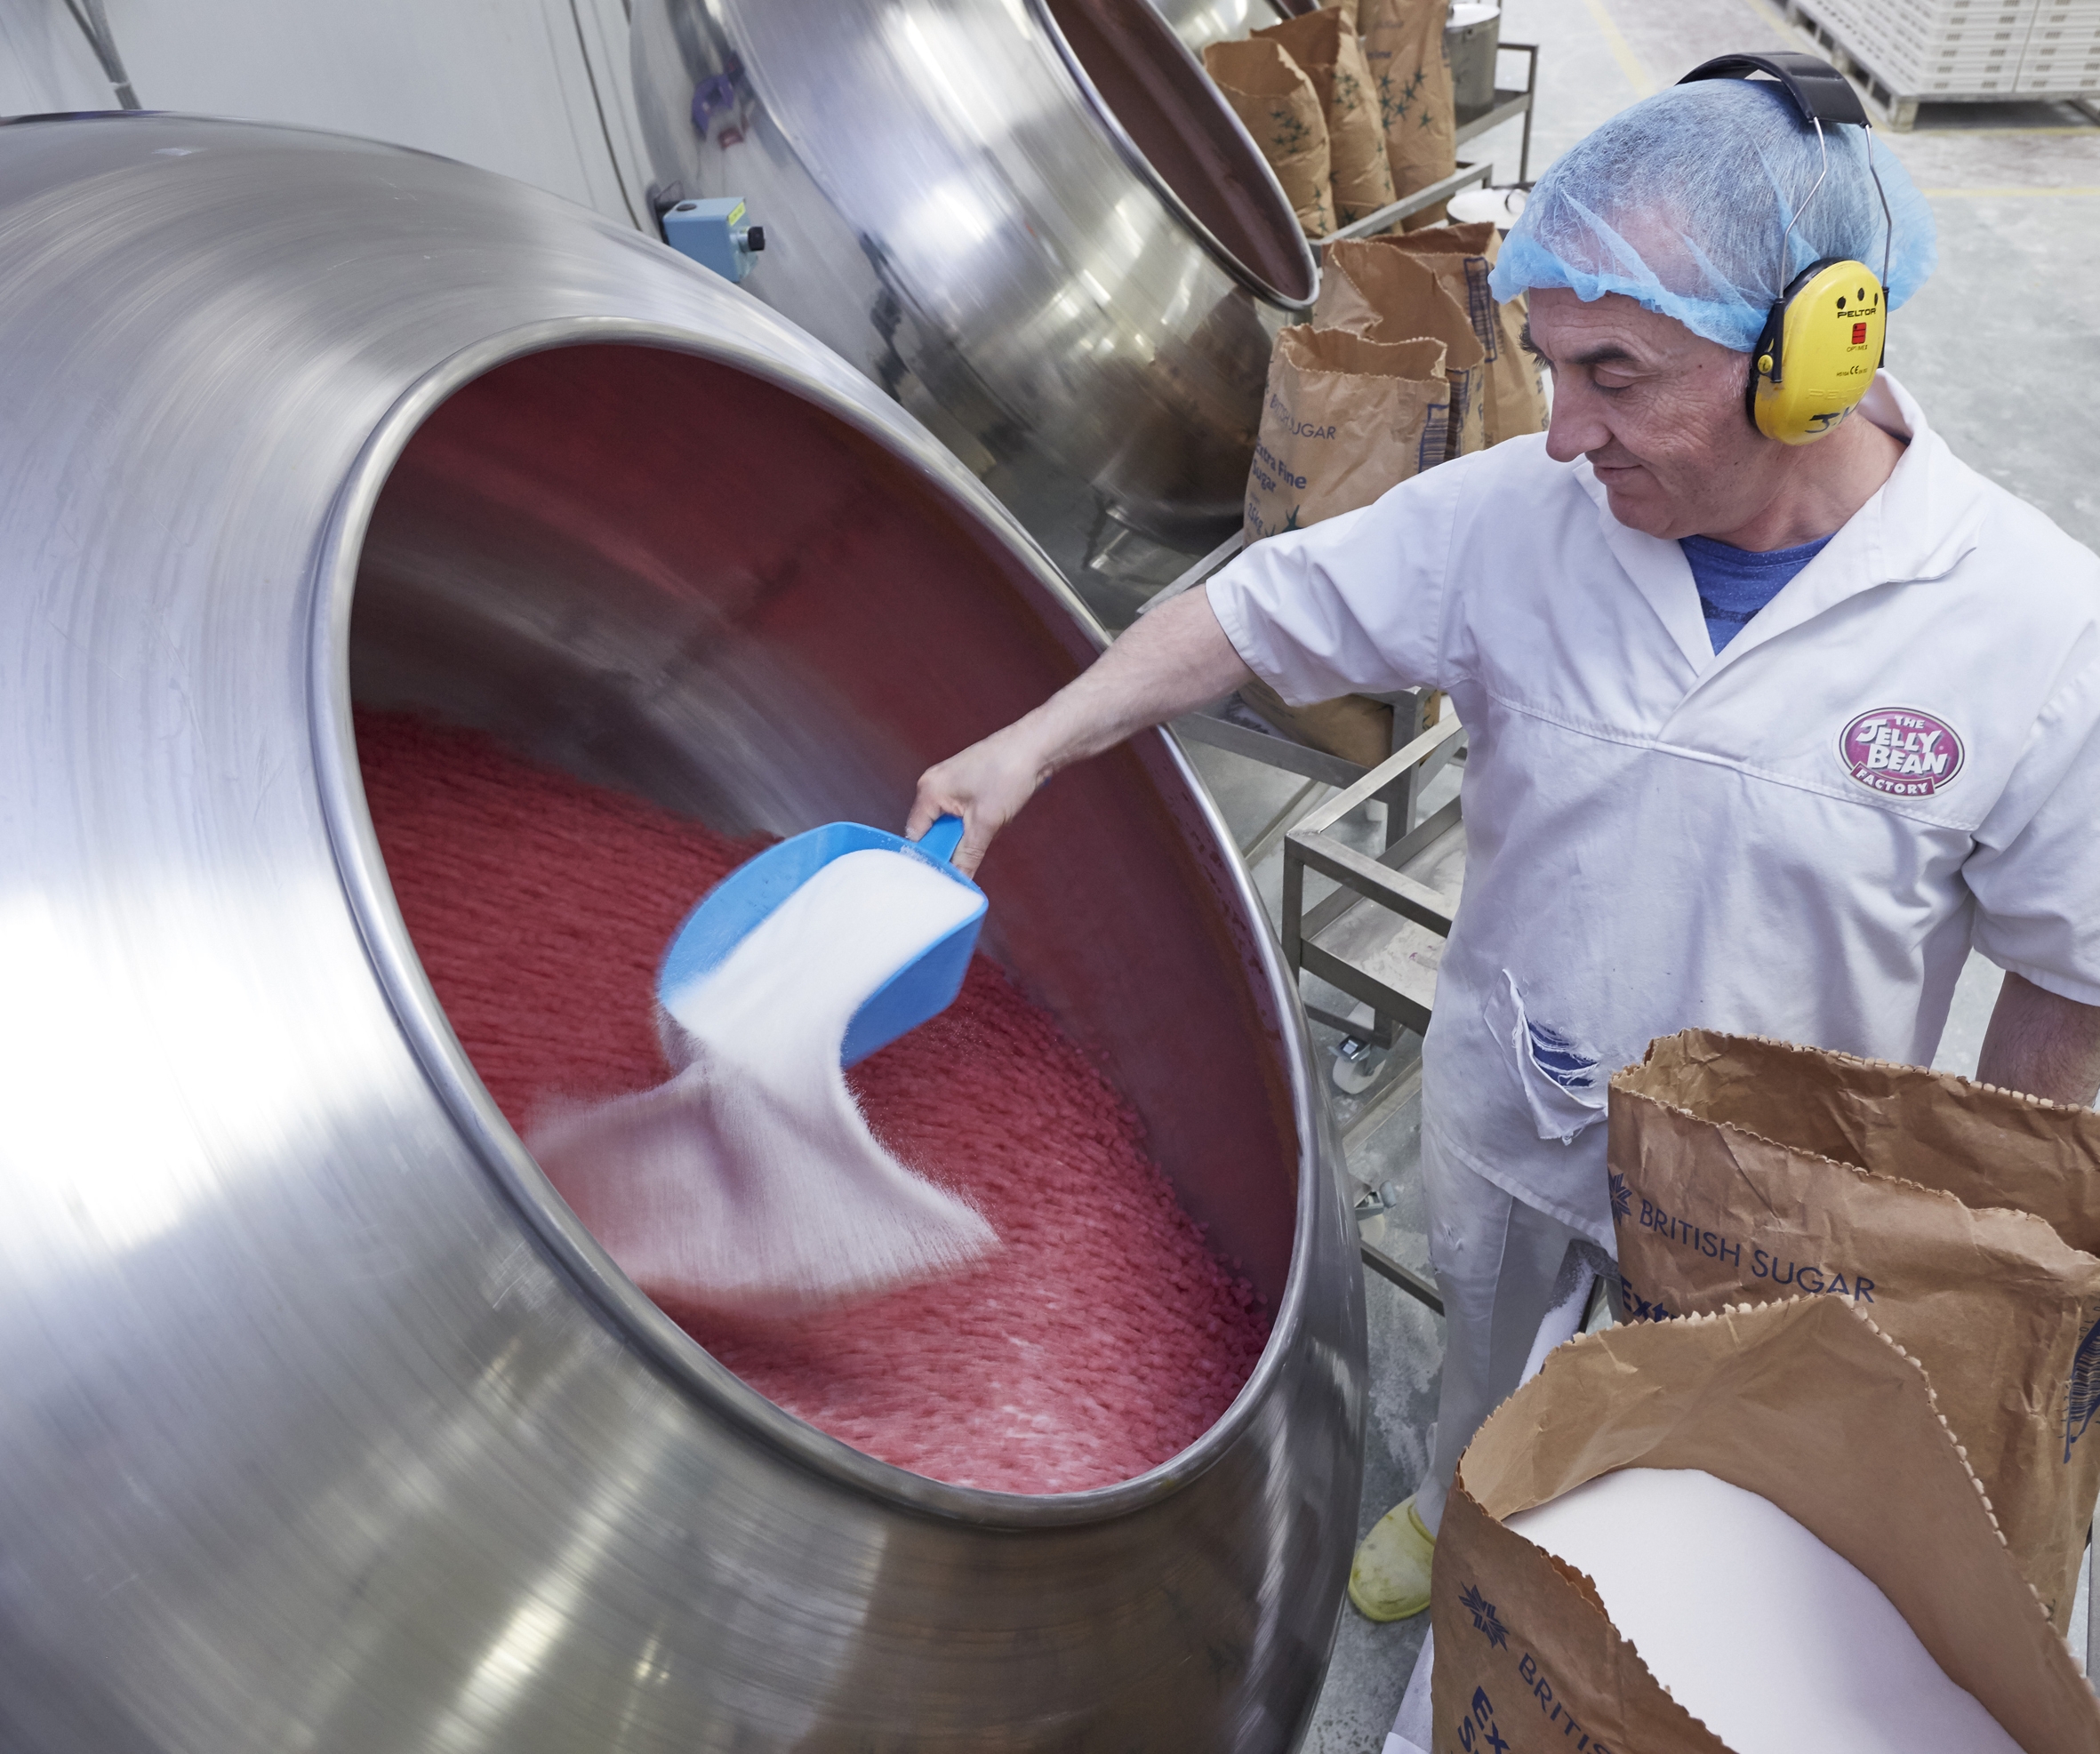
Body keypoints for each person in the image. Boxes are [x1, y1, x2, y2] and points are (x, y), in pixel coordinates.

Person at [906, 66, 2100, 1622]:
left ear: (1818, 353)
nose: (1564, 435)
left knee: (1705, 1461)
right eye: (1550, 367)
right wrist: (1032, 742)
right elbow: (1259, 606)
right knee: (1485, 1353)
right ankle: (1452, 1494)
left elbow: (2063, 977)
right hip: (1515, 1090)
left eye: (1614, 372)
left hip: (1783, 1180)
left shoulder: (2029, 627)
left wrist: (1972, 1257)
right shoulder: (1511, 522)